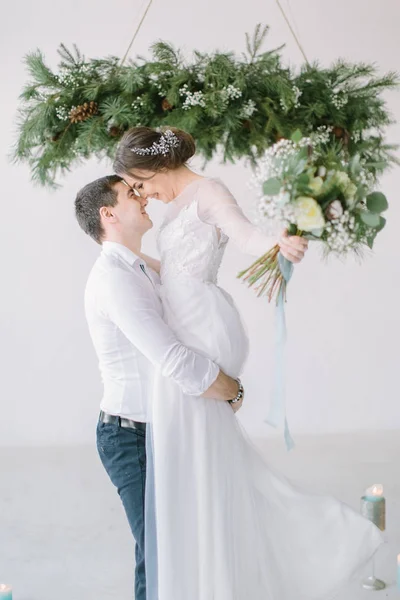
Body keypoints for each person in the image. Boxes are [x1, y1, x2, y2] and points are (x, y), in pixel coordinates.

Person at [113, 126, 383, 600]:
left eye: (140, 184)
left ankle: (220, 575)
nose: (142, 195)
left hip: (199, 327)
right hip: (186, 321)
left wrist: (279, 245)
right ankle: (201, 575)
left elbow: (244, 234)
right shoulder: (175, 206)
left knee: (197, 451)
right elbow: (171, 268)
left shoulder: (208, 192)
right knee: (197, 457)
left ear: (156, 166)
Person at [75, 175, 245, 600]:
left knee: (178, 548)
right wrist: (232, 391)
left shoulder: (137, 267)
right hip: (130, 436)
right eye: (130, 194)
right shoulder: (114, 279)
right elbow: (172, 359)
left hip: (162, 429)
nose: (142, 197)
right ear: (108, 214)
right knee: (157, 555)